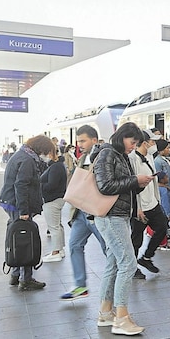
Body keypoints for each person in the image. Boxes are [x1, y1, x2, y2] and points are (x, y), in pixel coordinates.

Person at [93, 122, 152, 335]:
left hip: (118, 215)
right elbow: (105, 185)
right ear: (122, 137)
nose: (133, 146)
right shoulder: (108, 154)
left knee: (114, 263)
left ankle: (106, 312)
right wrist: (134, 180)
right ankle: (121, 318)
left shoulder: (120, 155)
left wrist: (137, 184)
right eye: (132, 142)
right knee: (128, 263)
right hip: (110, 216)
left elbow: (121, 185)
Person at [0, 135, 56, 291]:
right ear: (40, 148)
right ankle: (26, 279)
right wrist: (24, 210)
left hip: (10, 202)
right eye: (46, 151)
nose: (46, 154)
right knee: (25, 240)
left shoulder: (22, 155)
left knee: (18, 238)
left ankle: (16, 274)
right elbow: (21, 185)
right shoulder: (28, 160)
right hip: (18, 205)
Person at [60, 125, 107, 301]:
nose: (79, 144)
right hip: (80, 213)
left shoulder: (103, 157)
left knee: (108, 249)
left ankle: (118, 280)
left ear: (94, 140)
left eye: (83, 140)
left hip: (96, 213)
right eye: (78, 141)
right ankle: (80, 286)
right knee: (74, 246)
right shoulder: (83, 158)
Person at [130, 129, 170, 277]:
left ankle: (146, 257)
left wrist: (157, 200)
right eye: (152, 141)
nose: (154, 144)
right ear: (144, 143)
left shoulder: (149, 156)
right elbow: (133, 185)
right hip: (141, 207)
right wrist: (138, 208)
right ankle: (132, 268)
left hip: (153, 203)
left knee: (162, 227)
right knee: (136, 239)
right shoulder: (132, 158)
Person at [40, 149, 67, 262]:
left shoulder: (55, 167)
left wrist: (39, 185)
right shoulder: (58, 166)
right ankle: (60, 249)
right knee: (57, 225)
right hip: (58, 198)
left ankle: (56, 251)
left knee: (53, 227)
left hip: (52, 200)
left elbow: (52, 184)